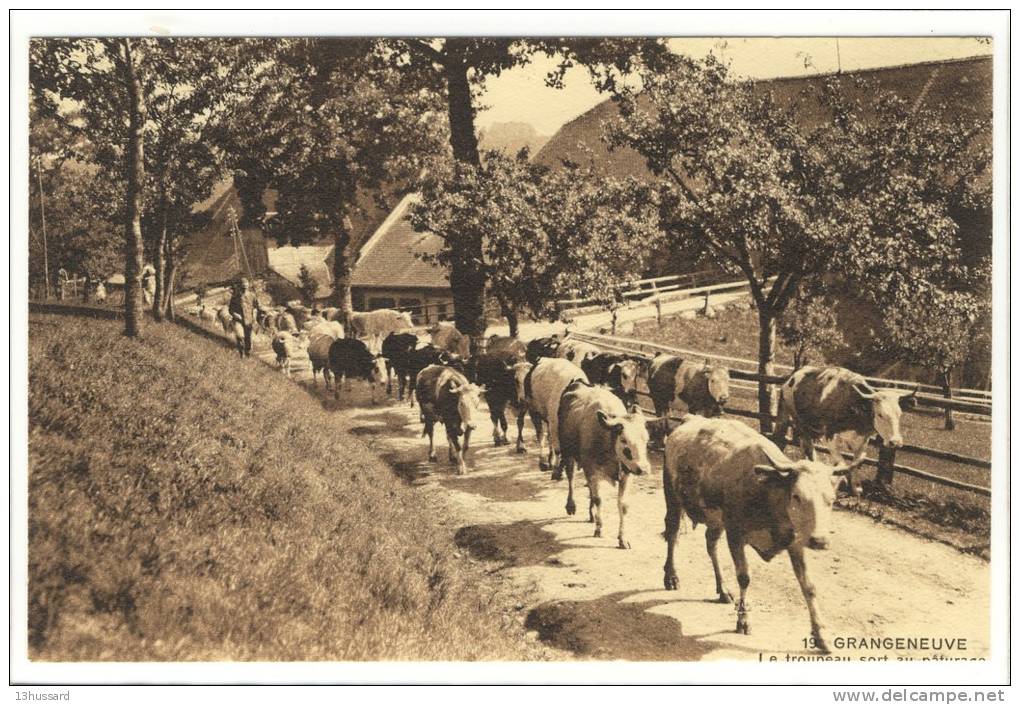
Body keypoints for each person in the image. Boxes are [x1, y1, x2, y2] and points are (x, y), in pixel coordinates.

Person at [228, 278, 260, 358]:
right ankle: (241, 353)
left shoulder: (252, 296)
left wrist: (254, 316)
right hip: (238, 320)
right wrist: (236, 315)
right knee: (240, 336)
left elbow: (256, 307)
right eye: (243, 285)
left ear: (248, 285)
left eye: (246, 284)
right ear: (240, 286)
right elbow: (231, 310)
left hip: (249, 320)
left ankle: (248, 353)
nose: (245, 286)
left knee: (248, 337)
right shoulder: (235, 297)